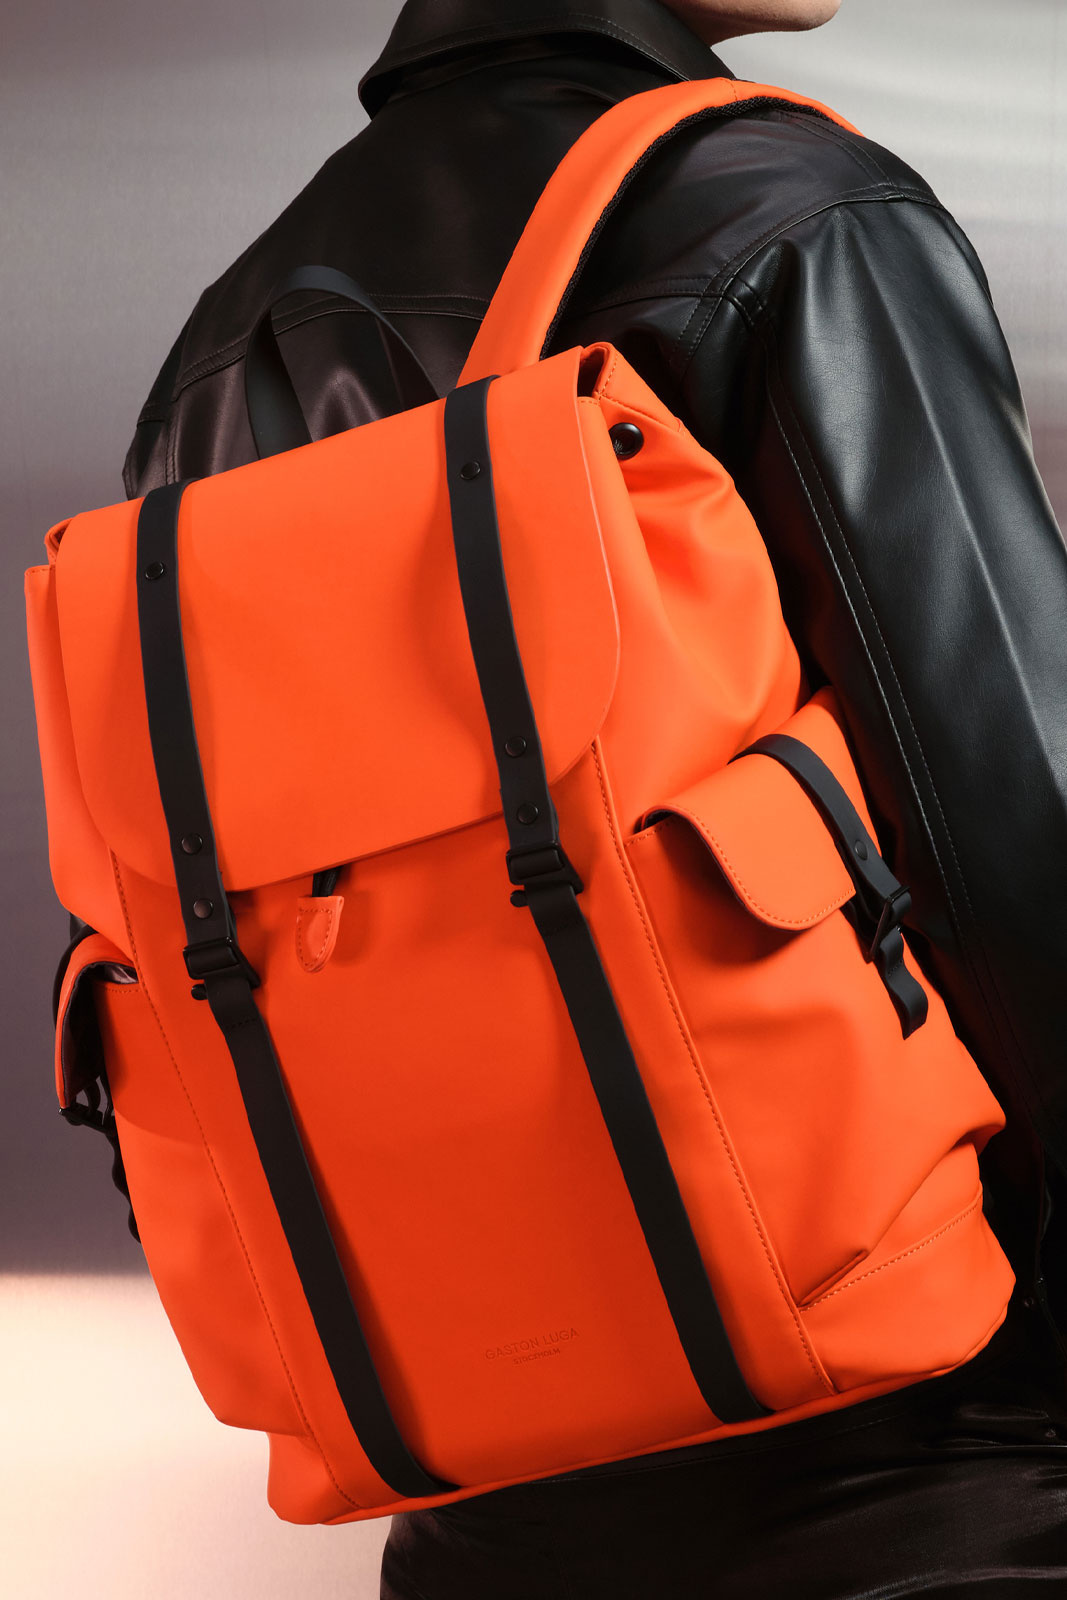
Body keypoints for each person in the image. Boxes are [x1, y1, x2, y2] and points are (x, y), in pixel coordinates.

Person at [124, 2, 1067, 1593]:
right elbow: (1009, 817)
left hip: (479, 1494)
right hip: (921, 1461)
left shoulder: (229, 327)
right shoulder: (787, 212)